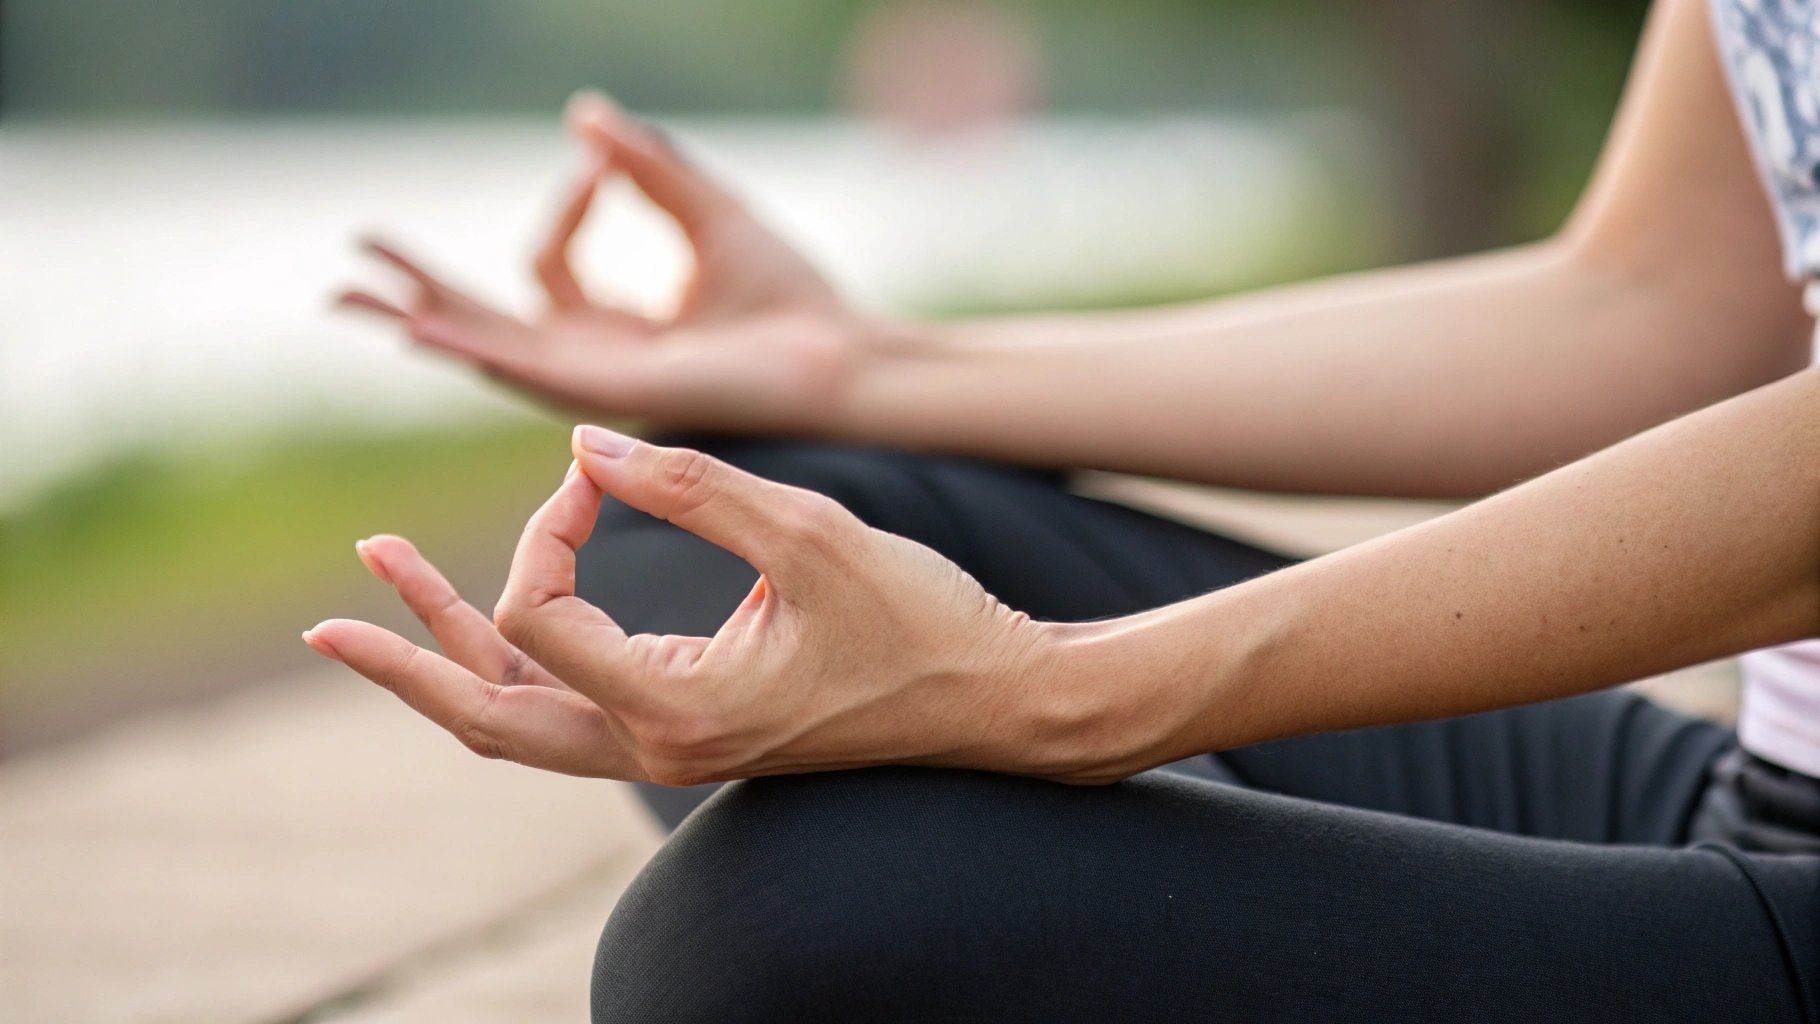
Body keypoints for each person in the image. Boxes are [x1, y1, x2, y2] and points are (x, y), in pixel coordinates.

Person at [307, 0, 1820, 1018]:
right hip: (1752, 790)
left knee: (779, 924)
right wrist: (854, 368)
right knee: (713, 530)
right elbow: (1658, 310)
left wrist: (1057, 702)